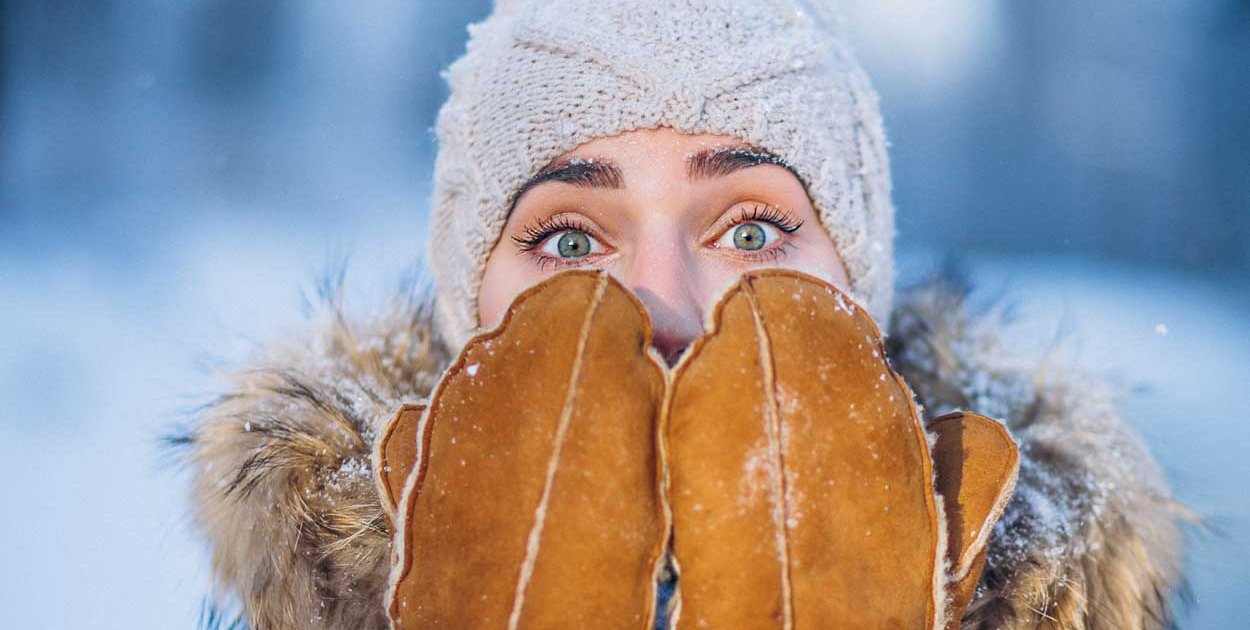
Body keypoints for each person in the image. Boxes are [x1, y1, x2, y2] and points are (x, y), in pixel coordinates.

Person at [175, 1, 1186, 628]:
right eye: (572, 242)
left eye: (750, 230)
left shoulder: (1046, 587)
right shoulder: (317, 588)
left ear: (859, 287)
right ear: (464, 305)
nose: (663, 308)